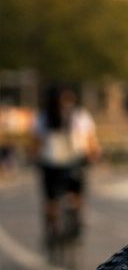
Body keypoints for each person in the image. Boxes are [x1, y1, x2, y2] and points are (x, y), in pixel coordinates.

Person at [33, 85, 100, 255]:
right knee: (77, 194)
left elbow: (36, 142)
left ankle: (52, 230)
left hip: (50, 162)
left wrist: (34, 157)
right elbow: (90, 141)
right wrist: (93, 155)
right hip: (74, 161)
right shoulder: (80, 115)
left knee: (51, 200)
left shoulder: (44, 116)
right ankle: (76, 222)